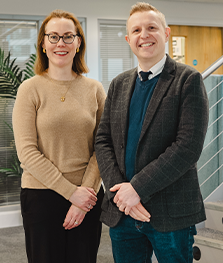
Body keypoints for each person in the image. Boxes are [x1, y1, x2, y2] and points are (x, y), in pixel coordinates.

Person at [95, 2, 209, 263]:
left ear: (166, 33)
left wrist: (136, 188)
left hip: (170, 213)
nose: (143, 35)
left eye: (151, 28)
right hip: (123, 213)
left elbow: (188, 147)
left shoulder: (188, 80)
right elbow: (102, 140)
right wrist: (120, 195)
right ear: (128, 39)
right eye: (136, 30)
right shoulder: (119, 84)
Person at [12, 9, 106, 263]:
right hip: (41, 196)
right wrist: (69, 192)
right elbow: (27, 152)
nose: (60, 43)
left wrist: (83, 194)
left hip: (87, 196)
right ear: (43, 44)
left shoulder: (95, 90)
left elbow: (103, 146)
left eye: (67, 36)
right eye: (53, 37)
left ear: (78, 43)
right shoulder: (29, 89)